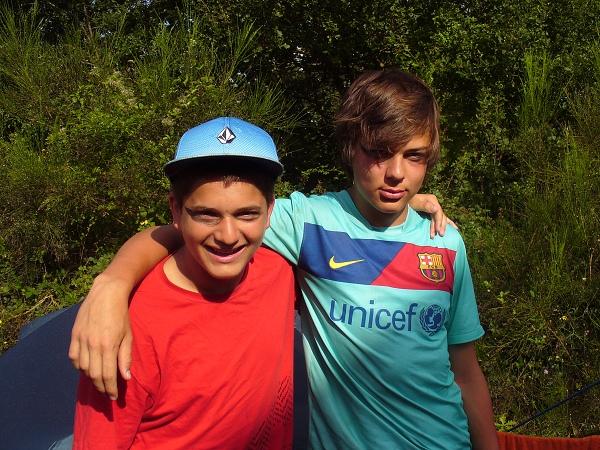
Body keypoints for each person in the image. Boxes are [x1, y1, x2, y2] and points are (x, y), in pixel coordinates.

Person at [70, 69, 499, 449]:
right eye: (378, 152)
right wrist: (112, 284)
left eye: (413, 156)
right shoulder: (306, 223)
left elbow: (465, 373)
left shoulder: (445, 243)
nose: (396, 173)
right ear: (351, 147)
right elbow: (196, 224)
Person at [73, 117, 295, 449]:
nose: (228, 236)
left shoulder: (279, 273)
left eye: (247, 214)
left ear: (270, 211)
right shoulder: (125, 329)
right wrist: (112, 283)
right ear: (176, 211)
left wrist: (113, 279)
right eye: (206, 214)